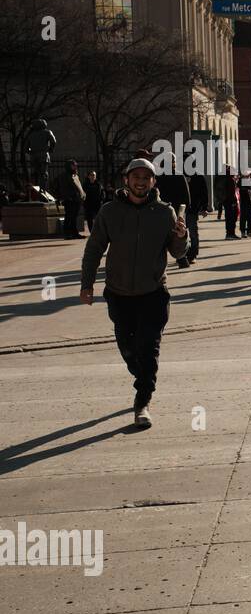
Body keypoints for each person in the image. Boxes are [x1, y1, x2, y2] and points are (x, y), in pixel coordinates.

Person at [79, 158, 188, 429]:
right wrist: (87, 284)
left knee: (148, 349)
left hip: (153, 293)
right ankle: (142, 377)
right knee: (129, 349)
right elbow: (94, 249)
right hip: (118, 293)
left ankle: (142, 403)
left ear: (154, 182)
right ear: (126, 180)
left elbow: (178, 253)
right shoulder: (109, 212)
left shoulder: (165, 213)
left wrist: (182, 236)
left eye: (147, 177)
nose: (141, 181)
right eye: (136, 176)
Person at [185, 169, 209, 263]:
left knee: (193, 232)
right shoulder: (179, 175)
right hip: (181, 208)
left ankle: (193, 254)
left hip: (192, 209)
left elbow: (204, 193)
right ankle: (184, 254)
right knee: (183, 233)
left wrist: (204, 207)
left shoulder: (198, 176)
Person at [59, 161, 86, 239]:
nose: (75, 167)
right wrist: (67, 197)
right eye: (73, 165)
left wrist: (83, 194)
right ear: (69, 166)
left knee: (74, 217)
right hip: (69, 200)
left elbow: (79, 186)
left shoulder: (75, 175)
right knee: (69, 217)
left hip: (76, 199)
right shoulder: (64, 176)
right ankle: (67, 234)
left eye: (75, 165)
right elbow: (63, 188)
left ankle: (74, 233)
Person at [222, 167, 241, 239]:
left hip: (229, 201)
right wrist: (233, 201)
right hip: (230, 202)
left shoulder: (230, 178)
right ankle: (230, 234)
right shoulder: (230, 179)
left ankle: (231, 233)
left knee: (231, 218)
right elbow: (231, 192)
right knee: (231, 218)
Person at [239, 171, 251, 238]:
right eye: (246, 175)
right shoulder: (241, 182)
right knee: (243, 218)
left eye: (249, 175)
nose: (248, 177)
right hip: (244, 203)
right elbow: (240, 190)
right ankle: (243, 232)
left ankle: (249, 231)